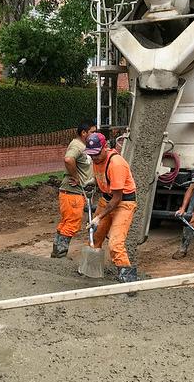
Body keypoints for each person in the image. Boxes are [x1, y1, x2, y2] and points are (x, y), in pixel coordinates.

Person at [84, 132, 138, 283]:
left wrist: (98, 217)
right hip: (106, 199)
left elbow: (116, 199)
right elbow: (103, 177)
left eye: (96, 154)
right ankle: (92, 272)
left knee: (115, 242)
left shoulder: (116, 164)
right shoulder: (96, 159)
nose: (94, 158)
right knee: (94, 237)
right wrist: (93, 181)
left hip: (123, 203)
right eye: (91, 155)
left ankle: (128, 279)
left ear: (105, 147)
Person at [51, 120, 97, 258]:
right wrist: (75, 177)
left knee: (66, 222)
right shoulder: (77, 146)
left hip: (77, 193)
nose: (95, 135)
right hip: (72, 192)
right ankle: (60, 255)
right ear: (84, 133)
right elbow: (68, 160)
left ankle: (57, 254)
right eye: (92, 132)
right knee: (71, 224)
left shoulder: (84, 146)